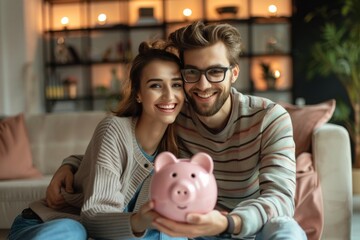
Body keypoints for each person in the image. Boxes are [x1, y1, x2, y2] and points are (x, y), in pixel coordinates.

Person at [45, 21, 307, 239]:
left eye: (215, 72)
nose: (203, 86)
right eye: (192, 73)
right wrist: (70, 165)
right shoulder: (176, 114)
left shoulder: (269, 118)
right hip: (193, 228)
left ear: (234, 73)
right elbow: (128, 145)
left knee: (286, 229)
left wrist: (231, 222)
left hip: (248, 225)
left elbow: (281, 198)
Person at [7, 40, 185, 240]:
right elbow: (94, 218)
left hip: (112, 234)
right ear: (138, 94)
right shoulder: (114, 129)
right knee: (74, 231)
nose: (169, 95)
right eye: (155, 85)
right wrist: (140, 221)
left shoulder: (180, 143)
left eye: (177, 84)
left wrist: (71, 163)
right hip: (52, 225)